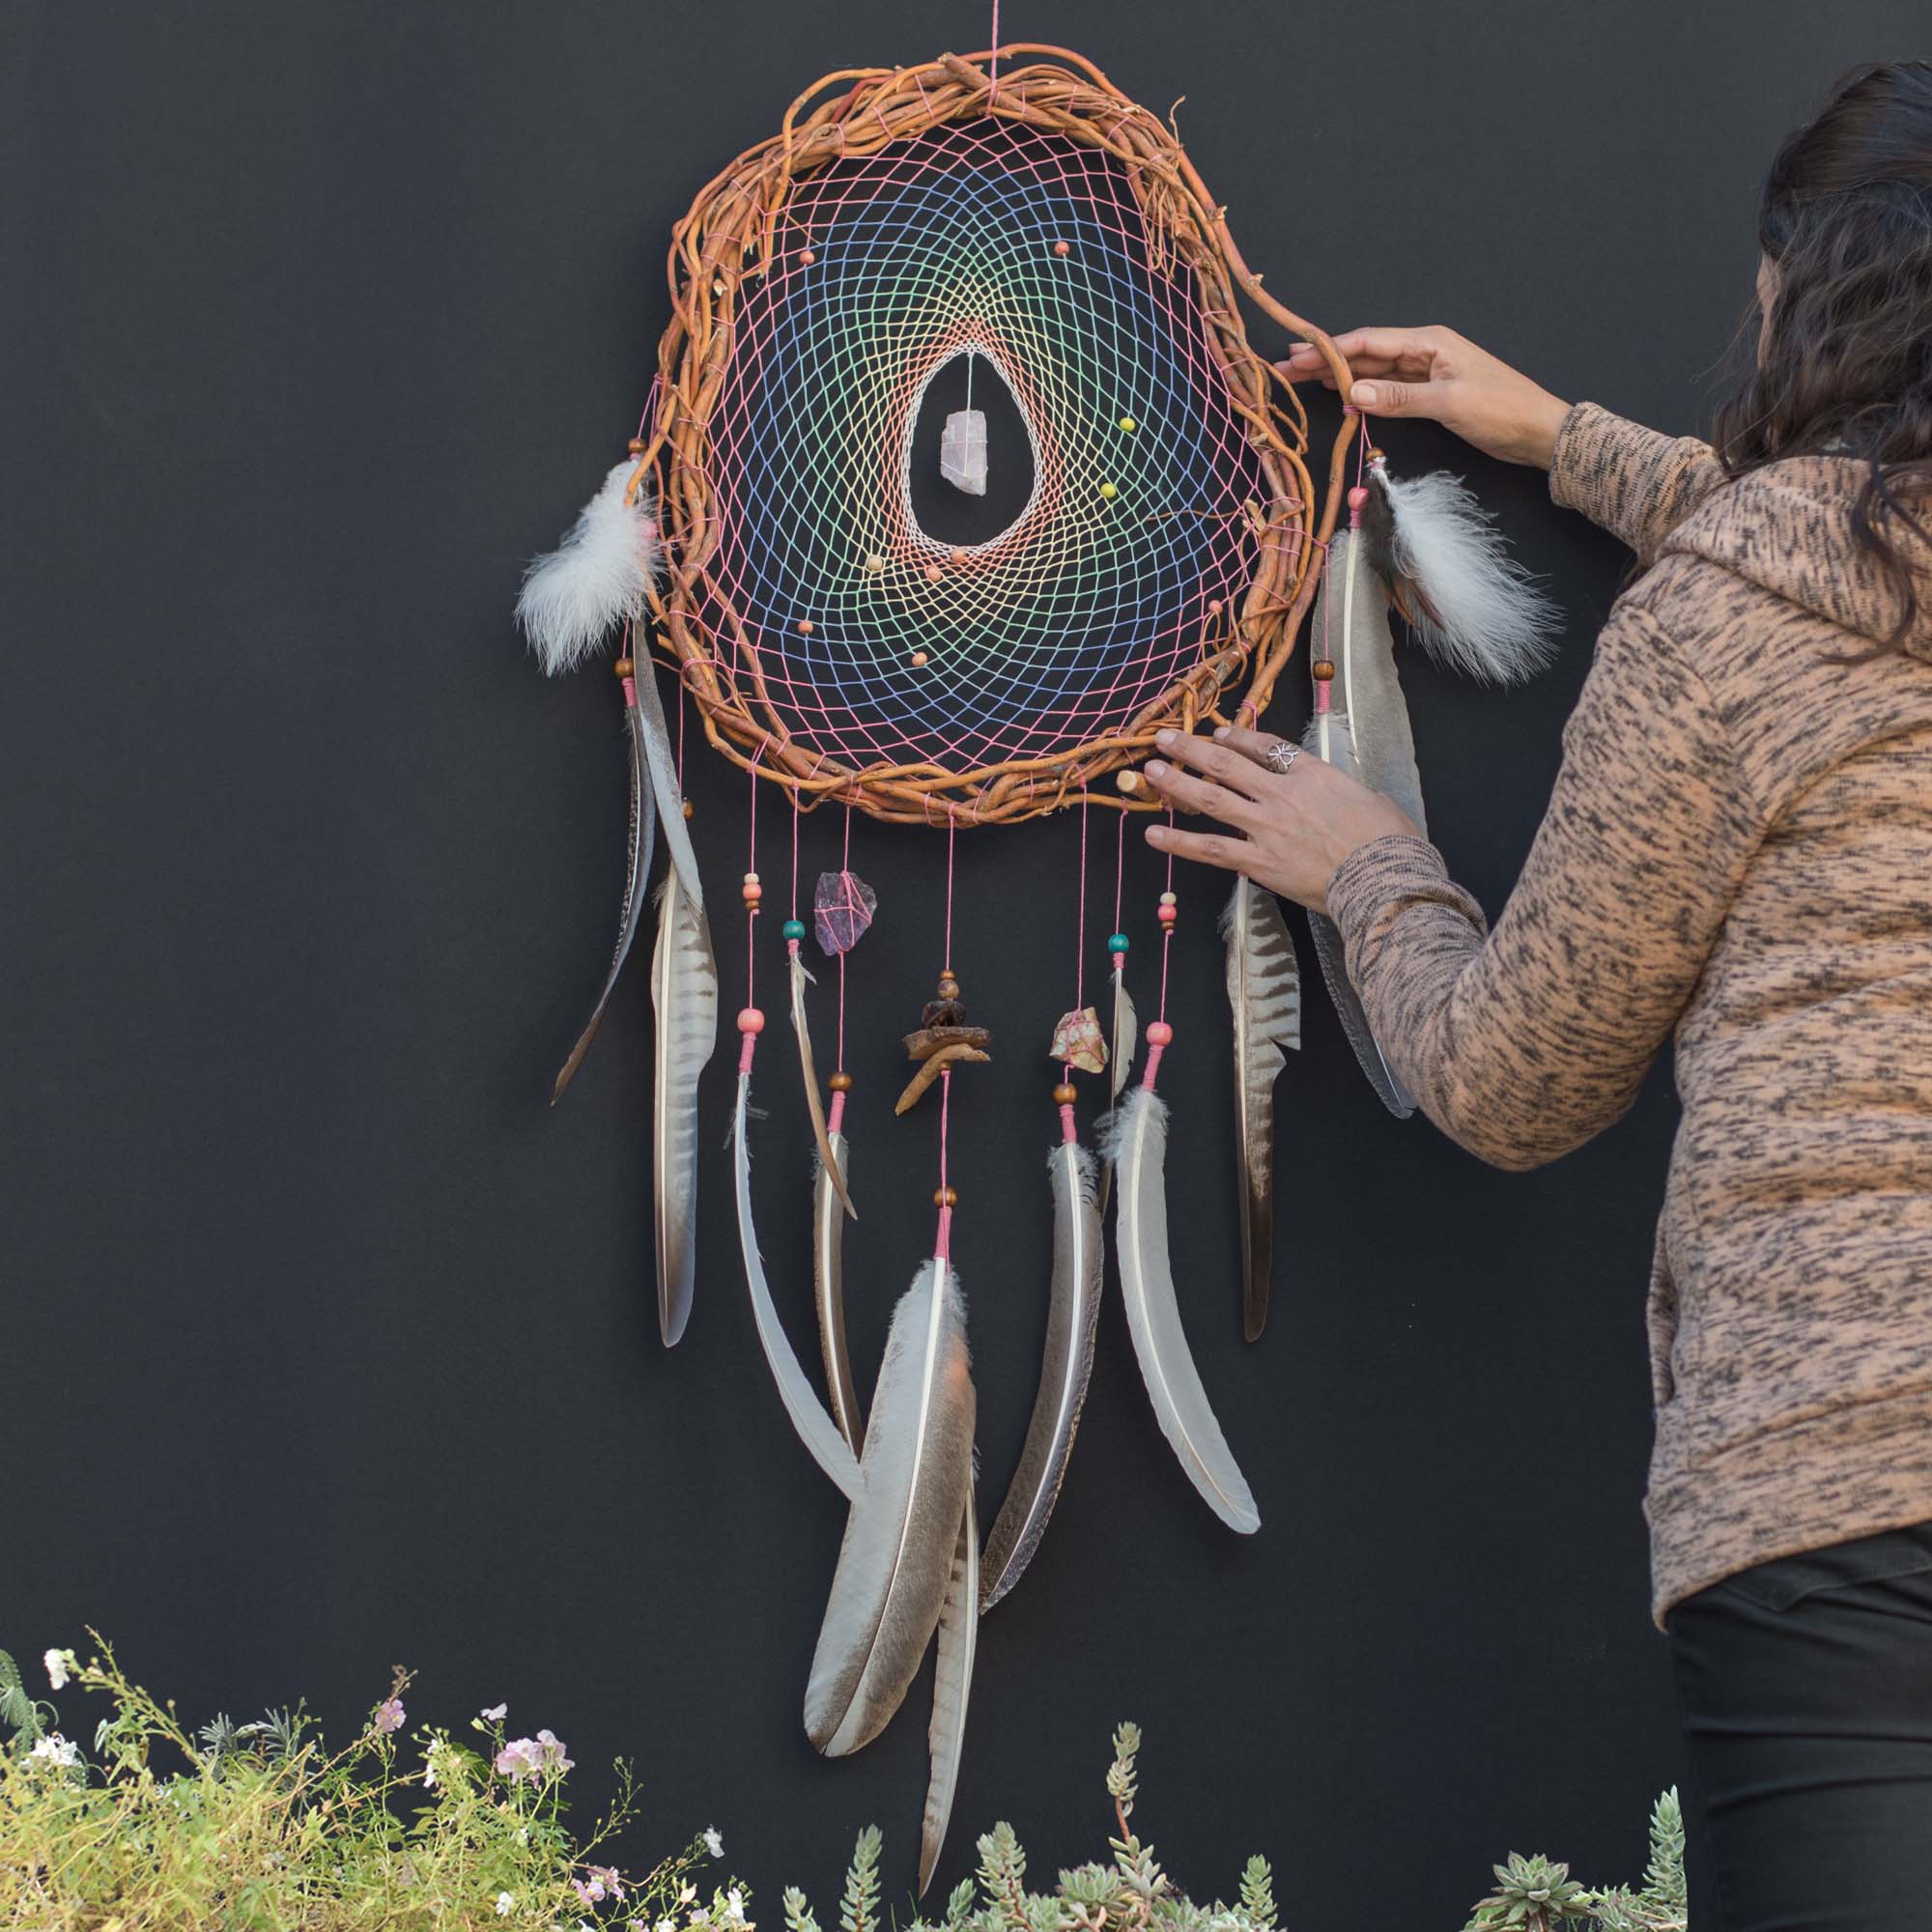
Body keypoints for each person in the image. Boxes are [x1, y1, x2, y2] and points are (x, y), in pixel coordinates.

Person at [1137, 60, 1932, 1932]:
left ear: (1801, 291)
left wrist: (1366, 868)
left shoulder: (1725, 631)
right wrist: (1579, 443)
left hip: (1846, 1508)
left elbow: (1513, 1076)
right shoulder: (1754, 600)